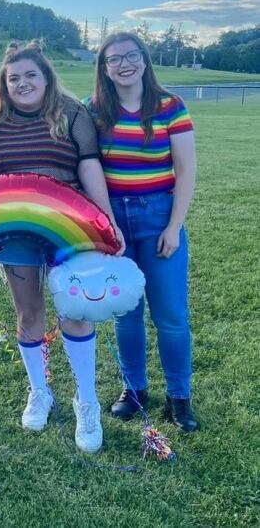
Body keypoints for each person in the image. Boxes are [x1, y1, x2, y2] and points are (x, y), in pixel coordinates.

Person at [0, 42, 124, 453]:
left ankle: (87, 402)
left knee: (76, 311)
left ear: (46, 77)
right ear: (4, 84)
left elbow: (88, 165)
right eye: (14, 78)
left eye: (31, 75)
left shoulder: (72, 114)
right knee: (29, 312)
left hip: (72, 230)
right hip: (14, 235)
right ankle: (40, 392)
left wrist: (107, 218)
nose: (22, 83)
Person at [87, 32, 198, 431]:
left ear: (145, 60)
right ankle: (134, 390)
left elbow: (185, 170)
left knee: (170, 315)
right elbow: (89, 169)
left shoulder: (170, 106)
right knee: (126, 314)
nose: (124, 64)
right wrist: (105, 224)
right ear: (104, 68)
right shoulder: (94, 110)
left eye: (131, 55)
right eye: (114, 59)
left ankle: (179, 397)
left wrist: (174, 226)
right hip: (114, 220)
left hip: (158, 218)